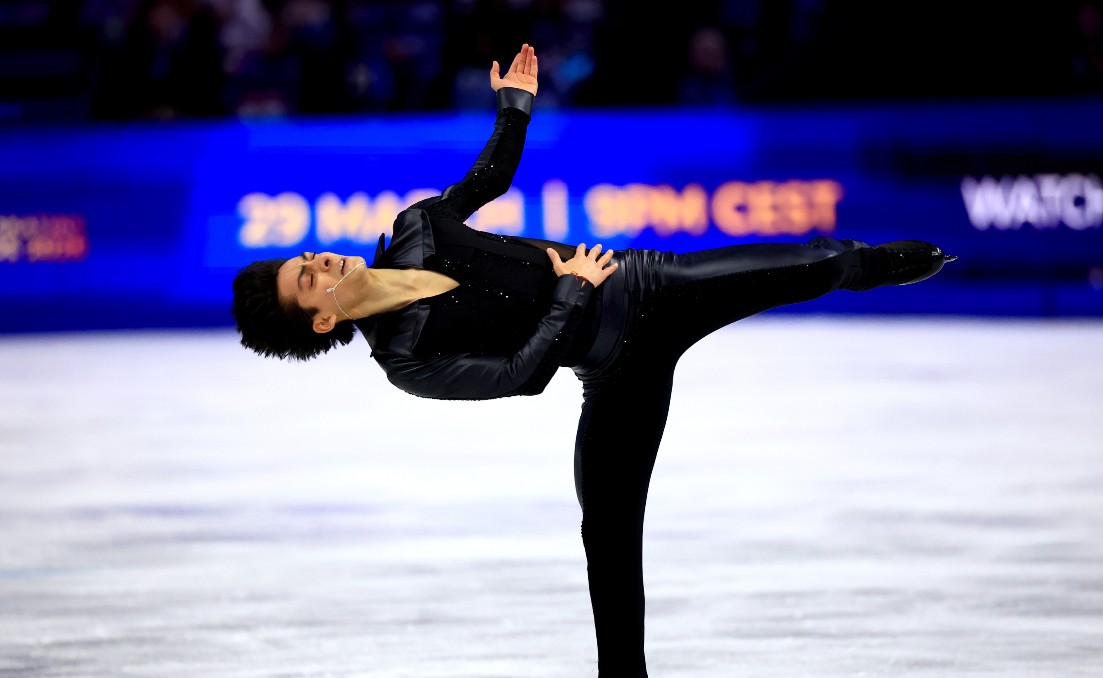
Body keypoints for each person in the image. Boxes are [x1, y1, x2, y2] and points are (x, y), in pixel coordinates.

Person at [232, 42, 955, 677]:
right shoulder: (406, 360)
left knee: (823, 261)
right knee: (606, 531)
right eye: (308, 280)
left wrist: (514, 109)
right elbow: (519, 377)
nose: (319, 260)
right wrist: (571, 291)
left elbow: (486, 183)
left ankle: (916, 260)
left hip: (650, 288)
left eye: (306, 258)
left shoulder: (416, 227)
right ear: (322, 319)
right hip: (613, 372)